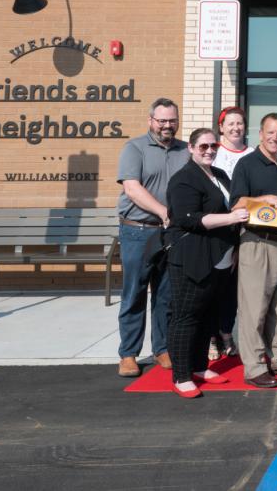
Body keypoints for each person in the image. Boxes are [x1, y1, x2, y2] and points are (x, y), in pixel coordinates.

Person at [164, 127, 248, 398]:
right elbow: (190, 218)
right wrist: (232, 219)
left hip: (219, 256)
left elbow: (232, 206)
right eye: (203, 147)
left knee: (208, 315)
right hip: (192, 256)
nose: (209, 151)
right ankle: (181, 375)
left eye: (213, 146)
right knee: (186, 316)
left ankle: (200, 366)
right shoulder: (183, 180)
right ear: (191, 148)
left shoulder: (221, 175)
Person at [229, 113, 277, 388]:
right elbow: (236, 204)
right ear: (261, 134)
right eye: (271, 133)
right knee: (255, 309)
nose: (276, 138)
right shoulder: (247, 164)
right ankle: (253, 367)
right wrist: (263, 199)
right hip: (257, 243)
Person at [115, 97, 189, 378]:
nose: (167, 125)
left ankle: (162, 348)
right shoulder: (134, 148)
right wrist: (163, 211)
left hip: (170, 233)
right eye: (162, 121)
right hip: (138, 230)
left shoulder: (185, 150)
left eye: (172, 120)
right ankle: (128, 354)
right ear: (151, 121)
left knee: (166, 295)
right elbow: (132, 189)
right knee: (134, 293)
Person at [206, 106, 252, 360]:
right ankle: (211, 336)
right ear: (221, 127)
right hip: (219, 229)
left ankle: (226, 332)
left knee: (233, 289)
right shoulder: (213, 153)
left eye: (240, 123)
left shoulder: (253, 154)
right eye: (230, 124)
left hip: (244, 231)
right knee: (215, 286)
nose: (235, 128)